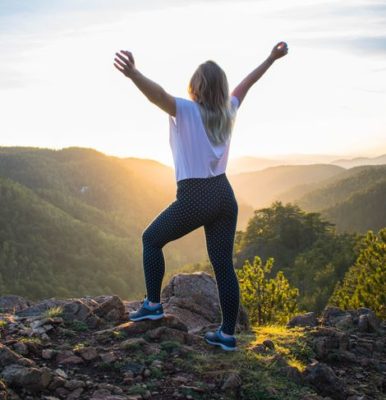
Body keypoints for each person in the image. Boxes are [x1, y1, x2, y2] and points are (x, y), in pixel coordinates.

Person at [113, 41, 288, 351]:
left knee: (151, 239)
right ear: (221, 88)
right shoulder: (228, 110)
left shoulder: (187, 109)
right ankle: (227, 335)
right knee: (223, 266)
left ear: (195, 86)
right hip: (224, 194)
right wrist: (271, 58)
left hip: (196, 196)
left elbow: (159, 96)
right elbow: (247, 83)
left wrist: (134, 74)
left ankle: (153, 305)